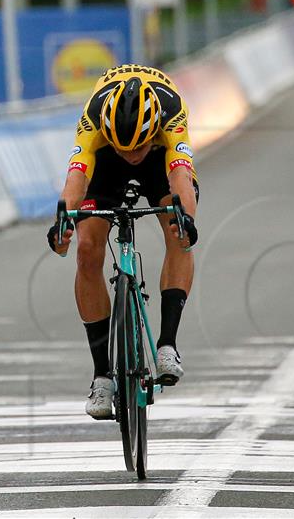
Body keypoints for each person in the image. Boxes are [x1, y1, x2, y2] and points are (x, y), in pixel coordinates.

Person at [47, 64, 199, 420]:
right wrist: (61, 224)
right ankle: (102, 375)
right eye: (125, 149)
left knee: (178, 231)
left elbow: (180, 173)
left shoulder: (171, 111)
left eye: (137, 148)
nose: (132, 155)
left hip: (159, 161)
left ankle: (167, 345)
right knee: (86, 250)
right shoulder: (93, 119)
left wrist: (187, 220)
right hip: (104, 162)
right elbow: (76, 178)